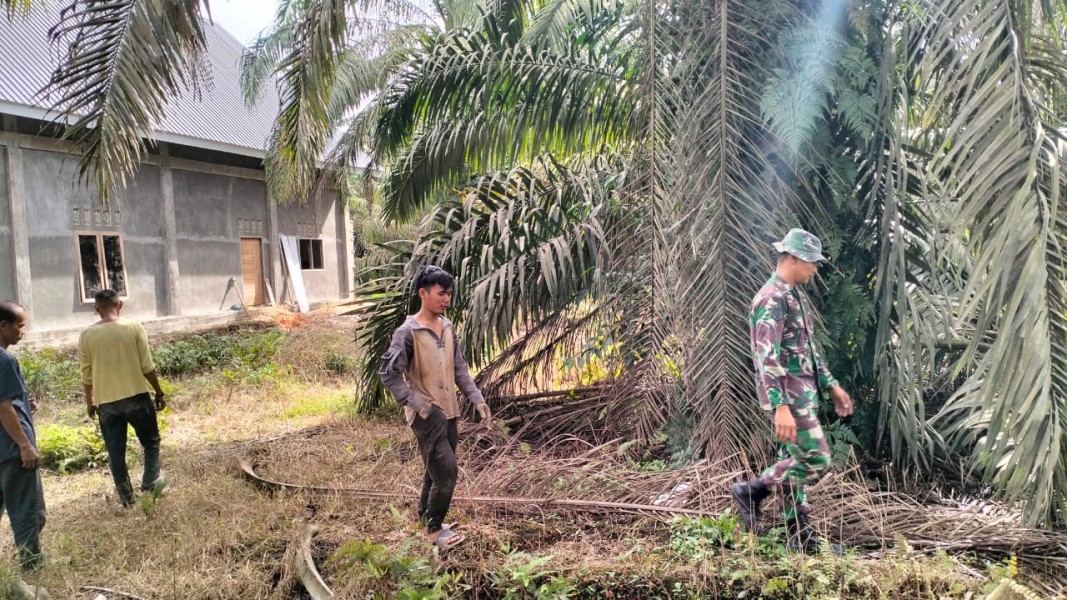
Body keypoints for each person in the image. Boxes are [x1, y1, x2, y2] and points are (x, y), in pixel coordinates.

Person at [731, 229, 853, 554]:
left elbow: (808, 350)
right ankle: (751, 490)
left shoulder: (793, 296)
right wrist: (780, 406)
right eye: (812, 262)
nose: (815, 269)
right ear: (795, 258)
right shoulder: (772, 299)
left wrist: (832, 386)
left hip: (802, 395)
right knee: (817, 458)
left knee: (791, 462)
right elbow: (766, 357)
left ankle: (799, 537)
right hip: (790, 397)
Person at [379, 266, 491, 549]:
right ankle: (433, 530)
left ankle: (425, 520)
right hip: (426, 416)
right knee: (447, 473)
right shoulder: (408, 332)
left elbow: (459, 367)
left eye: (449, 293)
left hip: (449, 411)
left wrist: (476, 398)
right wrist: (417, 403)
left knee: (435, 470)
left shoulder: (447, 327)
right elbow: (388, 375)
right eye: (441, 293)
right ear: (423, 293)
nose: (446, 299)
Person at [79, 290, 166, 508]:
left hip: (106, 403)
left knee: (116, 454)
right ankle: (150, 483)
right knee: (151, 442)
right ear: (119, 305)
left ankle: (127, 499)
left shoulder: (87, 335)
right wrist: (158, 391)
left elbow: (86, 375)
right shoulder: (134, 327)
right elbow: (147, 366)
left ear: (96, 309)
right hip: (137, 397)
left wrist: (90, 402)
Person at [0, 301, 46, 571]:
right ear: (3, 326)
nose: (23, 331)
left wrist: (23, 405)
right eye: (20, 326)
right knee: (27, 510)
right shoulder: (5, 360)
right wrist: (25, 446)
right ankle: (32, 565)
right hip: (12, 450)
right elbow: (3, 407)